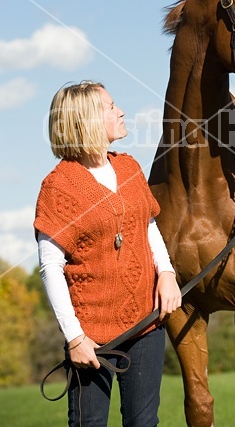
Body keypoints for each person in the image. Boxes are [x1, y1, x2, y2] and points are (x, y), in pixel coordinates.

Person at [34, 80, 182, 427]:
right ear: (85, 120)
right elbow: (50, 267)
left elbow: (147, 227)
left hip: (146, 324)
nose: (121, 111)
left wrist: (168, 273)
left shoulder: (129, 168)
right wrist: (74, 337)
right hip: (91, 339)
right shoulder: (59, 186)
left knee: (143, 423)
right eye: (111, 106)